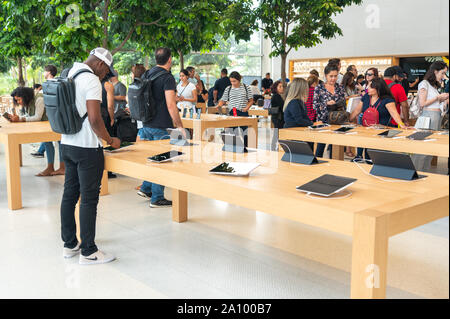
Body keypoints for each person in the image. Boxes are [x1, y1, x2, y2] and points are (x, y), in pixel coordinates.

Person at [60, 47, 121, 265]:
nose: (106, 75)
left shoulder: (69, 73)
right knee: (88, 199)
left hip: (66, 143)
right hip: (86, 148)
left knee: (69, 195)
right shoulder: (92, 81)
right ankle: (89, 251)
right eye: (106, 70)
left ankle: (69, 245)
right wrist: (110, 140)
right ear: (100, 64)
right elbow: (95, 119)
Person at [137, 47, 185, 207]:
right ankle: (157, 197)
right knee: (163, 161)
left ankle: (146, 188)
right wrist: (179, 126)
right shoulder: (167, 77)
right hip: (161, 124)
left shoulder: (147, 74)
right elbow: (171, 105)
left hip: (146, 123)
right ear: (170, 59)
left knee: (152, 159)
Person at [350, 78, 407, 162]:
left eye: (370, 87)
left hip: (382, 133)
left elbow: (394, 114)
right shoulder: (366, 97)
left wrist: (402, 125)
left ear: (378, 88)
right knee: (368, 157)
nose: (367, 88)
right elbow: (357, 110)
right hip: (368, 132)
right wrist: (348, 120)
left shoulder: (387, 99)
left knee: (379, 158)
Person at [411, 61, 449, 172]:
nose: (443, 76)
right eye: (442, 73)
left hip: (435, 118)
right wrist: (439, 98)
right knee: (422, 150)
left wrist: (442, 99)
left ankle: (425, 174)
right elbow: (422, 103)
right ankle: (416, 173)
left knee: (430, 150)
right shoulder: (424, 83)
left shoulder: (434, 86)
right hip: (427, 118)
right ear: (435, 71)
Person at [313, 64, 346, 158]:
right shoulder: (319, 88)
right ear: (325, 75)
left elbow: (344, 104)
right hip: (322, 120)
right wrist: (326, 104)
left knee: (335, 146)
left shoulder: (340, 88)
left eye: (335, 76)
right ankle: (316, 164)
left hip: (337, 120)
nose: (333, 78)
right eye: (331, 76)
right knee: (321, 145)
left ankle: (333, 165)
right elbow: (315, 105)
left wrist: (339, 104)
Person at [217, 71, 254, 146]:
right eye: (231, 81)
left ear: (239, 80)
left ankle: (246, 147)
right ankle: (235, 147)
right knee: (233, 131)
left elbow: (251, 101)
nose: (233, 83)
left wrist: (246, 108)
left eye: (234, 81)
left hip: (243, 112)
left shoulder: (246, 87)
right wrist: (219, 105)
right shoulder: (228, 88)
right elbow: (223, 99)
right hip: (232, 112)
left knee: (245, 132)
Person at [31, 65, 59, 158]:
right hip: (52, 115)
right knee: (52, 139)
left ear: (49, 72)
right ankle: (41, 152)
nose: (43, 73)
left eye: (44, 71)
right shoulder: (50, 84)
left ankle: (42, 154)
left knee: (55, 140)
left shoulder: (52, 84)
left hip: (53, 115)